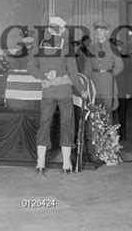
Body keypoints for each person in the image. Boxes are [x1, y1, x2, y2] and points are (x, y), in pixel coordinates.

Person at [27, 16, 87, 174]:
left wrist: (44, 75)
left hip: (47, 90)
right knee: (66, 123)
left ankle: (40, 163)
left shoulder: (38, 45)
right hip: (64, 90)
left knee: (44, 123)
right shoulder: (66, 45)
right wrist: (82, 89)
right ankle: (66, 164)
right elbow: (73, 72)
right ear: (60, 29)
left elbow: (31, 68)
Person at [83, 21, 124, 124]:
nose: (99, 32)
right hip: (94, 85)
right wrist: (86, 85)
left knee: (108, 113)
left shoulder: (113, 48)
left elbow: (120, 66)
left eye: (102, 30)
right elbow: (87, 68)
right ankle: (96, 139)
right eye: (97, 30)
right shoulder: (91, 48)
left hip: (108, 85)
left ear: (107, 32)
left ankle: (108, 139)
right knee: (94, 114)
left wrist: (109, 73)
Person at [114, 40, 132, 141]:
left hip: (122, 90)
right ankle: (111, 134)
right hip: (111, 90)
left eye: (118, 47)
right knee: (111, 114)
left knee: (121, 114)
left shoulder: (126, 59)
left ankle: (122, 135)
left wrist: (129, 91)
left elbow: (130, 75)